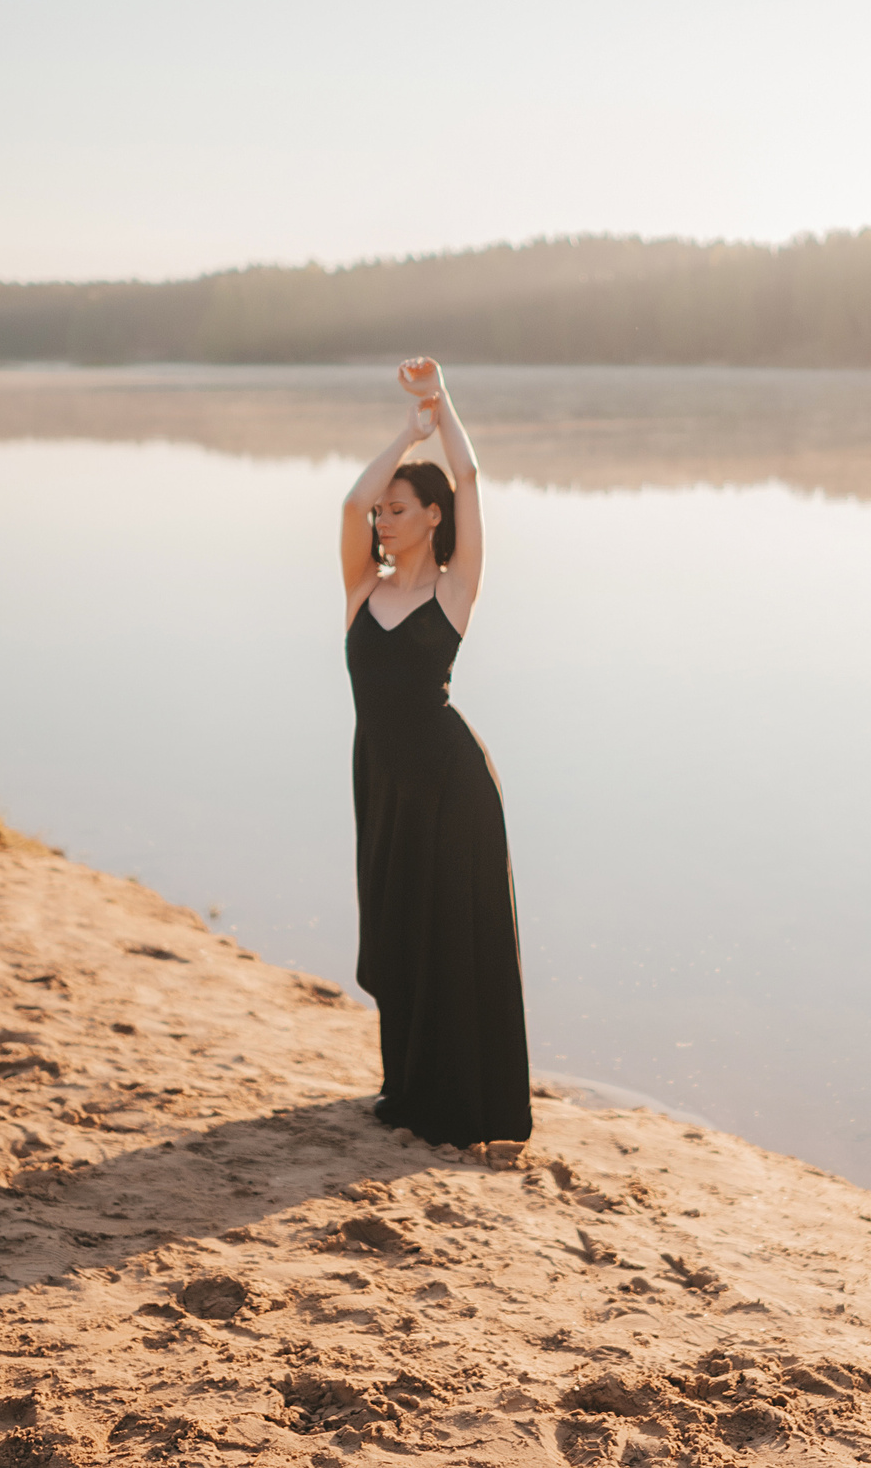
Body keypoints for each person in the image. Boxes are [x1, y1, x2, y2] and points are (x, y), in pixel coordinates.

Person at [338, 358, 532, 1160]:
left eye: (399, 509)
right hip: (384, 783)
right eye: (384, 510)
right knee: (397, 932)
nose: (382, 518)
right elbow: (349, 500)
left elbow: (473, 478)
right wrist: (403, 434)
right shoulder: (361, 587)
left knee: (450, 935)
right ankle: (409, 1088)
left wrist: (442, 407)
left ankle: (462, 1098)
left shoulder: (454, 590)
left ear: (431, 517)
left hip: (452, 787)